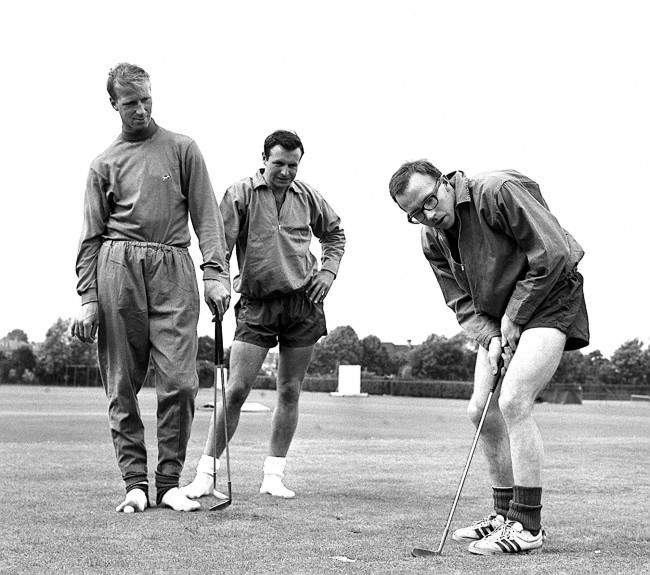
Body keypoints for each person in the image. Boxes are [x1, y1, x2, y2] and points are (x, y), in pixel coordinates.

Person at [388, 161, 589, 555]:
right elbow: (459, 301)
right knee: (481, 410)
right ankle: (503, 515)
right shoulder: (432, 239)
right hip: (500, 315)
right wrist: (490, 334)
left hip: (551, 297)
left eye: (430, 200)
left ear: (444, 182)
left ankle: (528, 527)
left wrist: (515, 314)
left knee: (513, 400)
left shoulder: (496, 192)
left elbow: (553, 253)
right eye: (415, 214)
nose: (428, 215)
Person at [72, 63, 230, 513]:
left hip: (174, 268)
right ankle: (135, 484)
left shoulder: (183, 148)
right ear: (113, 104)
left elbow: (207, 217)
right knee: (121, 385)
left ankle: (169, 483)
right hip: (117, 268)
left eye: (146, 99)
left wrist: (216, 274)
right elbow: (90, 235)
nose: (140, 109)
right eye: (130, 103)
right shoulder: (103, 163)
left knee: (180, 382)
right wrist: (88, 299)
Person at [181, 130, 345, 499]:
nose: (286, 172)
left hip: (303, 303)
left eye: (293, 165)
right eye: (279, 164)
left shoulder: (308, 196)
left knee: (290, 389)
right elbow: (217, 248)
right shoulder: (240, 194)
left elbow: (335, 234)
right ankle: (206, 474)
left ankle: (273, 476)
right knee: (236, 389)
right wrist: (216, 282)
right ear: (264, 160)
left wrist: (327, 273)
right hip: (257, 303)